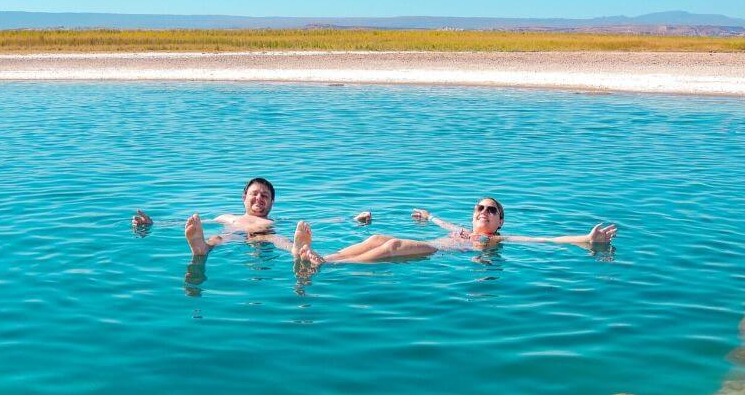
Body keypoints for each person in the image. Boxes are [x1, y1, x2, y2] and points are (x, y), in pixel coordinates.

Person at [292, 197, 617, 265]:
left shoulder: (496, 239)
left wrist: (586, 240)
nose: (485, 213)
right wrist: (429, 216)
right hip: (432, 240)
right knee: (378, 238)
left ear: (500, 221)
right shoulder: (462, 229)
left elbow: (545, 240)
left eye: (492, 211)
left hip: (438, 252)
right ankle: (321, 255)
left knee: (390, 245)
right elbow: (443, 224)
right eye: (480, 208)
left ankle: (327, 262)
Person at [132, 177, 372, 256]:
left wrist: (354, 219)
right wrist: (153, 224)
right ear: (244, 197)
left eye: (265, 196)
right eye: (254, 194)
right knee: (217, 237)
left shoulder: (272, 221)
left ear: (272, 203)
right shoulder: (226, 216)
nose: (259, 199)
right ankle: (200, 246)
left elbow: (319, 221)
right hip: (233, 233)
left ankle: (297, 249)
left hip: (263, 234)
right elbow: (188, 223)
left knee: (279, 240)